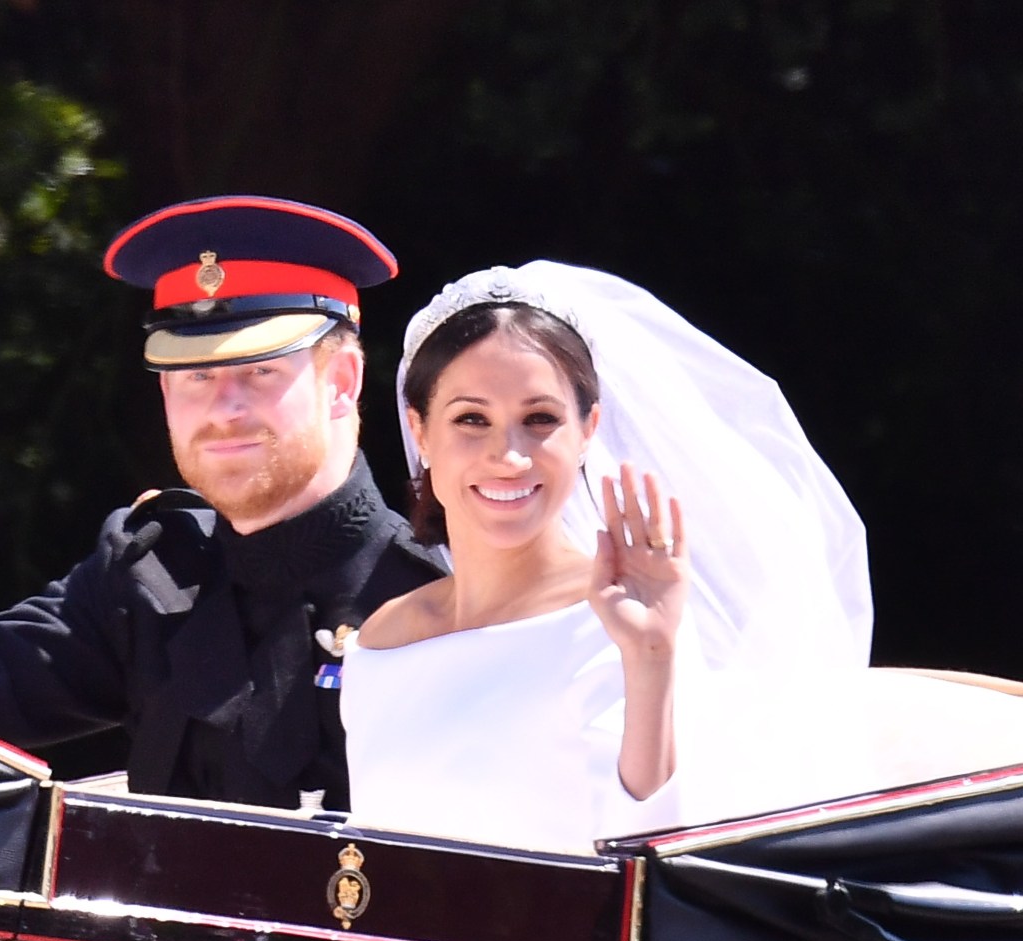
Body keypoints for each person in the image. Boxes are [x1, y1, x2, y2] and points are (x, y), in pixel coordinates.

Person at [0, 196, 447, 811]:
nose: (224, 408)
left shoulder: (441, 597)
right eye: (195, 376)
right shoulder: (154, 571)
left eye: (260, 371)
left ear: (341, 383)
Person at [341, 260, 878, 855]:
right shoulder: (380, 641)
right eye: (472, 419)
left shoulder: (620, 619)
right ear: (419, 430)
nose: (509, 456)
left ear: (588, 428)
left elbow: (659, 851)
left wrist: (651, 655)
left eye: (540, 419)